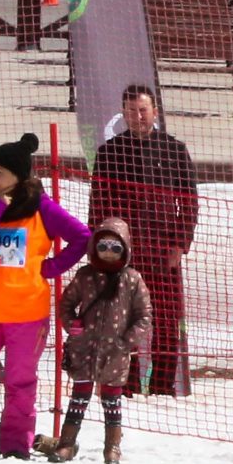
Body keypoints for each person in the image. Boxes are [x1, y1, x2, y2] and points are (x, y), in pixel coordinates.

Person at [0, 133, 91, 461]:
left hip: (26, 314)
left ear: (19, 177)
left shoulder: (42, 207)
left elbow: (83, 237)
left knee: (20, 382)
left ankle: (15, 445)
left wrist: (52, 267)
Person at [89, 84, 200, 397]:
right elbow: (99, 205)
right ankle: (128, 385)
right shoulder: (109, 153)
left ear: (155, 111)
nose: (138, 116)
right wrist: (104, 249)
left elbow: (189, 202)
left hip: (164, 251)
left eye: (143, 110)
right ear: (123, 114)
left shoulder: (174, 150)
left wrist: (180, 244)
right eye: (131, 111)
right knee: (123, 321)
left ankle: (164, 388)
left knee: (166, 322)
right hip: (124, 253)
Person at [41, 217, 151, 464]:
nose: (109, 253)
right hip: (85, 349)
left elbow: (144, 316)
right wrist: (72, 326)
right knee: (79, 397)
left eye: (115, 247)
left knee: (112, 400)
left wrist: (127, 341)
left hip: (115, 351)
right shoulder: (85, 276)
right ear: (93, 248)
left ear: (125, 249)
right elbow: (66, 304)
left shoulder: (132, 279)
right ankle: (67, 443)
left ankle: (112, 447)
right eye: (103, 247)